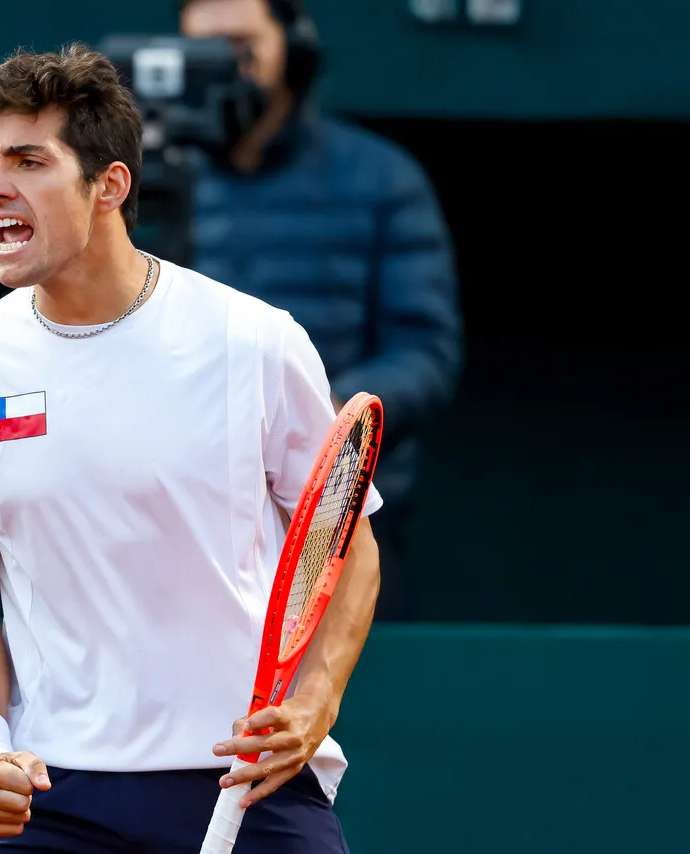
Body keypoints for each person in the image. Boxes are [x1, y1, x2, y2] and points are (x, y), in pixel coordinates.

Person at [0, 42, 381, 854]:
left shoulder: (255, 342)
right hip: (53, 793)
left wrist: (315, 703)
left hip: (245, 780)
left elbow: (348, 548)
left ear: (110, 185)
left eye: (28, 160)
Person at [179, 0, 464, 621]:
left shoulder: (383, 179)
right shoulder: (152, 186)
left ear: (294, 51)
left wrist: (326, 417)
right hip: (189, 516)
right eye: (205, 53)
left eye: (242, 48)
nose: (225, 70)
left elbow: (426, 351)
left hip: (342, 512)